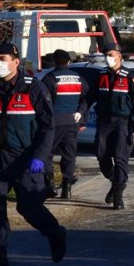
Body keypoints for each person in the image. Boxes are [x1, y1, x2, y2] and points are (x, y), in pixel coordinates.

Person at [0, 41, 67, 266]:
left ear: (16, 61)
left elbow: (47, 127)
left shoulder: (34, 88)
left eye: (4, 58)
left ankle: (55, 234)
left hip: (26, 160)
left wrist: (40, 157)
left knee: (29, 207)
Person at [93, 42, 134, 209]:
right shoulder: (101, 75)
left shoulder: (130, 77)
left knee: (120, 158)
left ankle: (118, 196)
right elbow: (90, 96)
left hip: (123, 124)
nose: (108, 58)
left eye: (111, 55)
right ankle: (116, 183)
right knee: (102, 156)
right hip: (104, 123)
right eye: (106, 54)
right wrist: (81, 110)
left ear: (120, 57)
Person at [41, 49, 88, 199]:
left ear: (54, 62)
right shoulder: (78, 78)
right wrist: (80, 114)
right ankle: (66, 189)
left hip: (54, 123)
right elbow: (85, 98)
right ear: (68, 62)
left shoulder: (50, 78)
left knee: (47, 154)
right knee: (69, 156)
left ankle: (50, 186)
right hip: (71, 122)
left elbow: (43, 102)